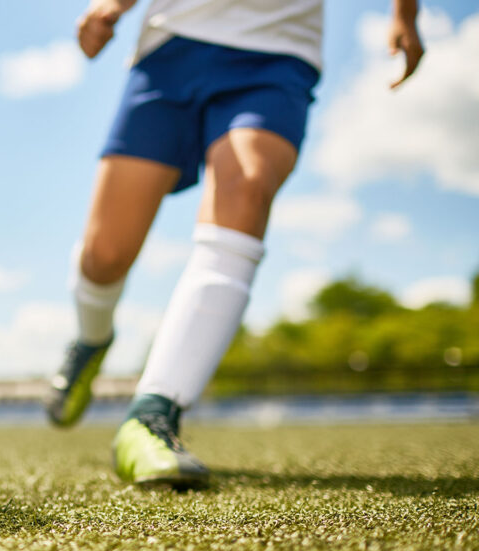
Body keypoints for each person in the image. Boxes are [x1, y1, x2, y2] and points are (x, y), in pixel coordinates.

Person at [45, 0, 424, 488]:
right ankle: (92, 339)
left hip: (277, 51)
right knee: (104, 256)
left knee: (245, 187)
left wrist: (405, 16)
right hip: (173, 45)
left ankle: (153, 414)